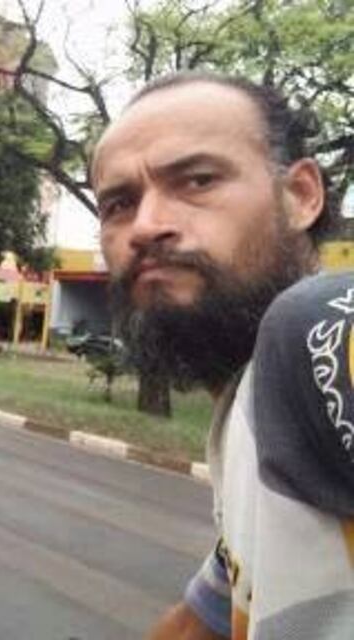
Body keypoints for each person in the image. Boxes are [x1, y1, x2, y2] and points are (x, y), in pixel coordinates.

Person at [93, 71, 352, 639]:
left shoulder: (319, 333)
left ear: (301, 196)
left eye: (198, 180)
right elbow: (203, 619)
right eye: (119, 204)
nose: (145, 226)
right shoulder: (252, 438)